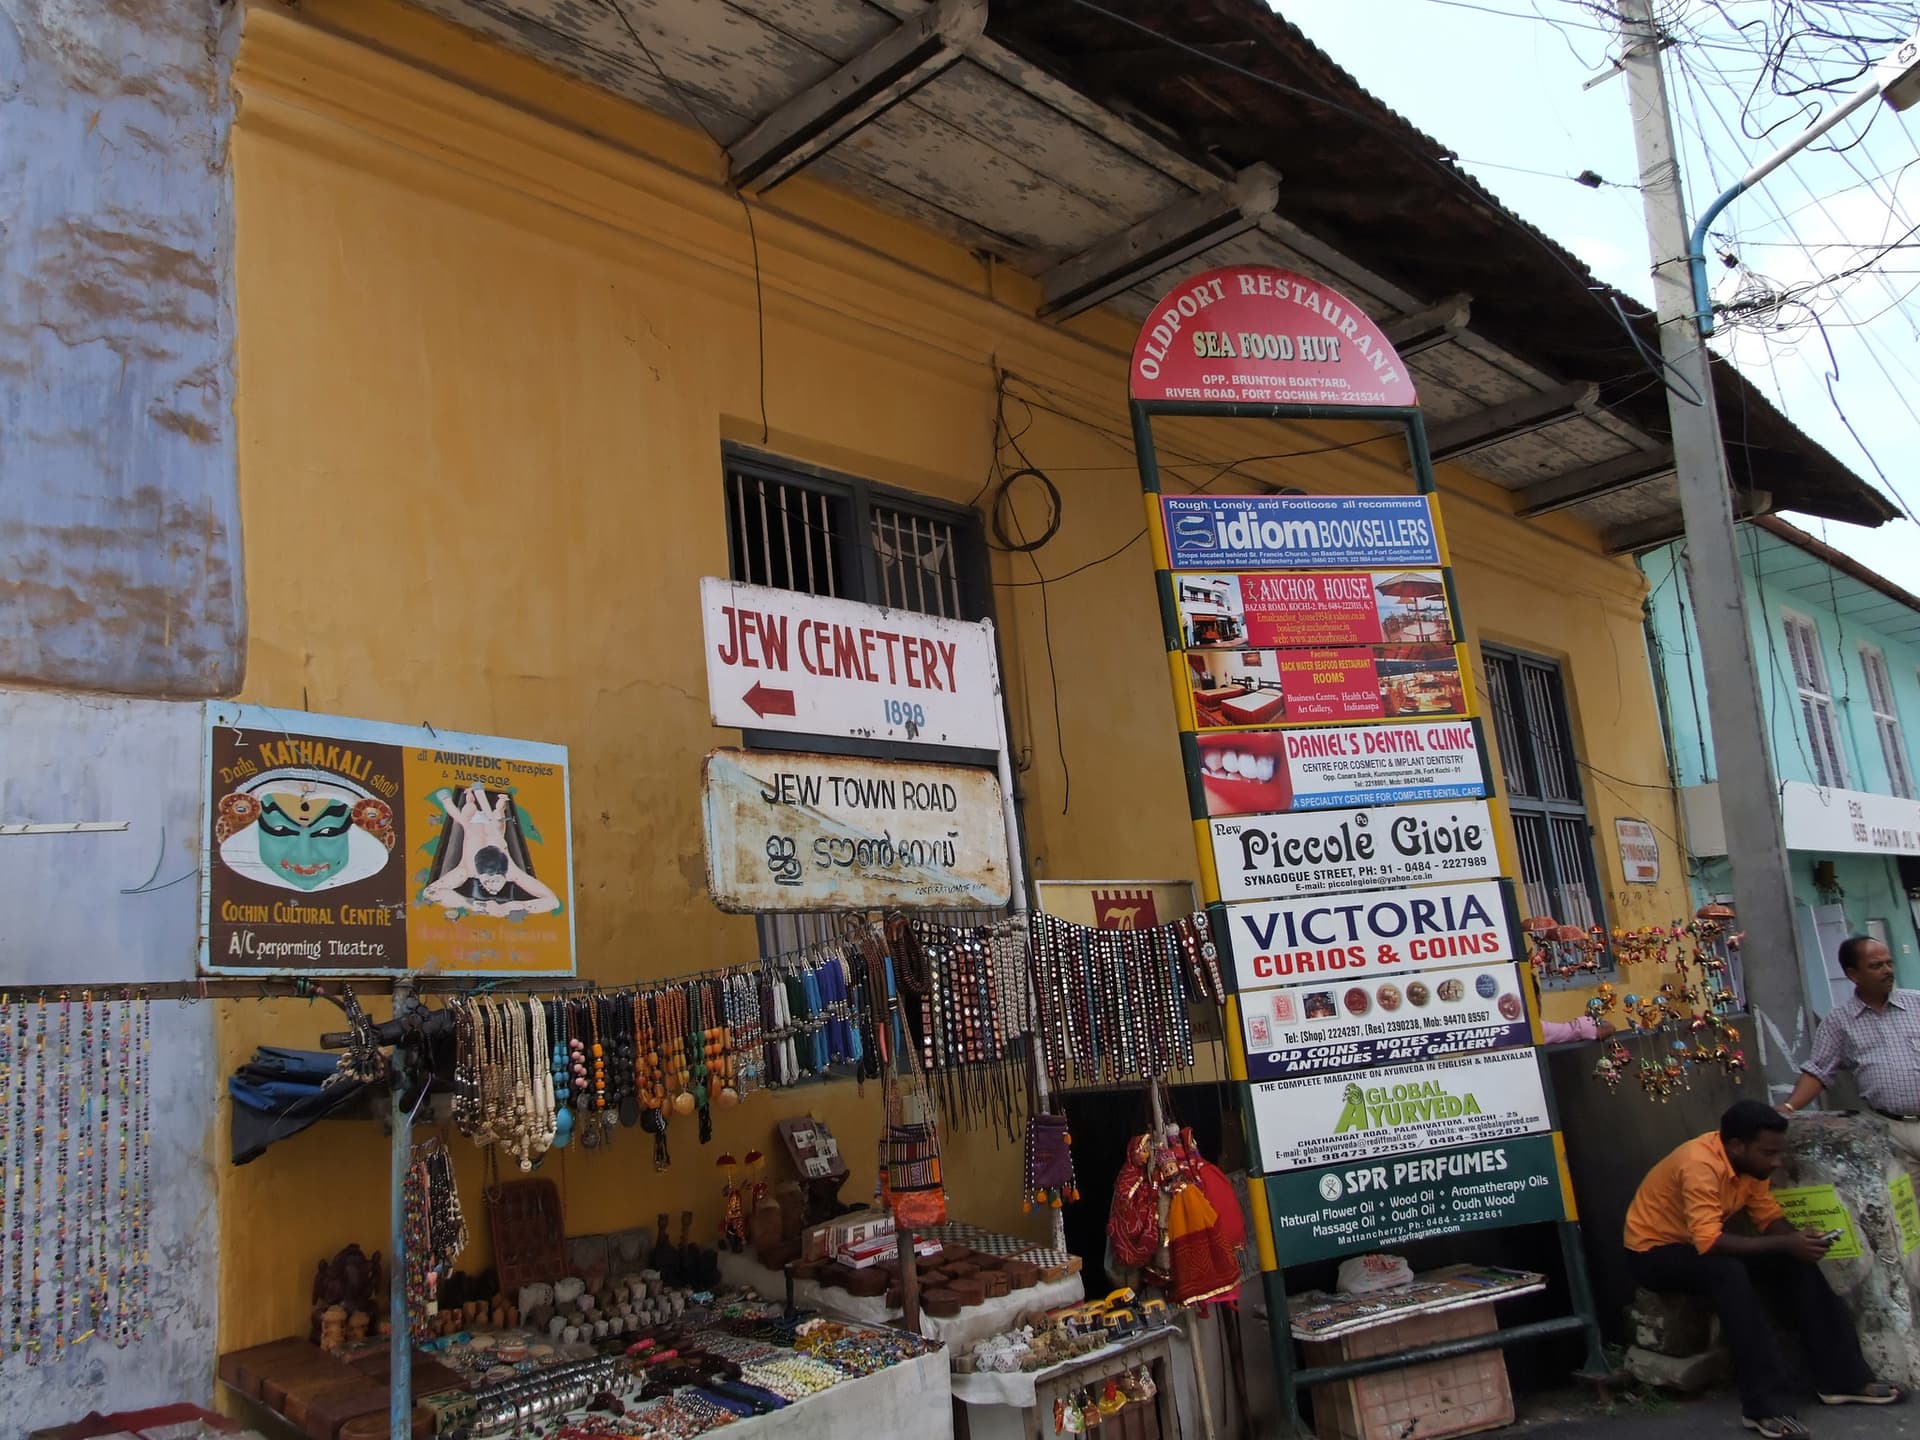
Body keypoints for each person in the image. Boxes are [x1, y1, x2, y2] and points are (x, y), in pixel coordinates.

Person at [1624, 1100, 1901, 1436]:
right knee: (1729, 1274)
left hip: (1699, 1246)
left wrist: (1798, 1242)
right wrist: (1786, 1244)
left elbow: (1767, 1217)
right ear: (1737, 1146)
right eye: (1768, 1153)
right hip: (1653, 1253)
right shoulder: (1698, 1165)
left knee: (1795, 1261)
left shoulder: (1750, 1167)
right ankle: (1764, 1406)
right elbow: (1709, 1242)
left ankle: (1842, 1380)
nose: (1776, 1161)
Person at [1779, 937, 1920, 1179]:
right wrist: (1789, 1107)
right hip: (1889, 1130)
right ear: (1853, 974)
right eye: (1876, 966)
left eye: (1889, 963)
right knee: (1906, 1198)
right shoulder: (1839, 1022)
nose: (1887, 970)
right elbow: (1818, 1071)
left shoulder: (1917, 1004)